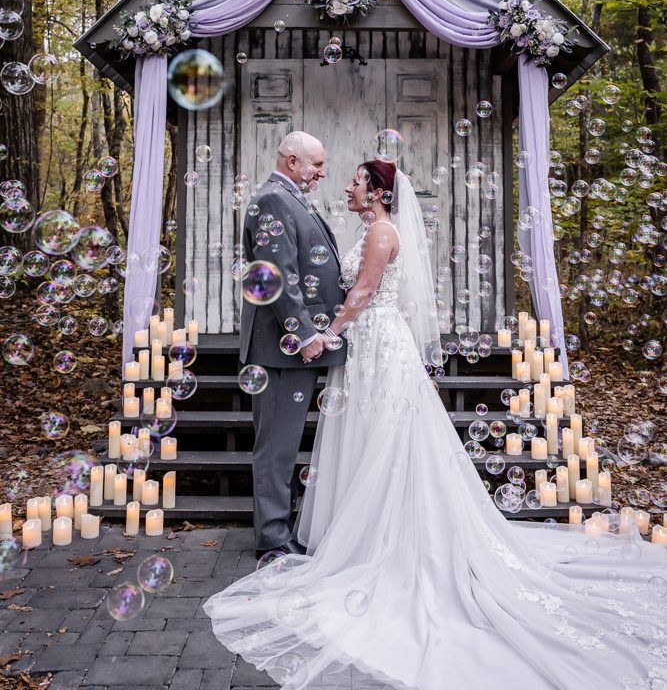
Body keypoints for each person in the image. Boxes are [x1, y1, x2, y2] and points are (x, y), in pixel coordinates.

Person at [205, 160, 667, 689]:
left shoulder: (381, 233)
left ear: (379, 194)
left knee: (388, 440)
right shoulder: (368, 229)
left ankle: (385, 538)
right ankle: (359, 529)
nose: (346, 186)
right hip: (365, 348)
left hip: (378, 345)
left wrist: (328, 331)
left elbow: (363, 293)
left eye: (357, 181)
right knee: (367, 439)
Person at [239, 131, 347, 559]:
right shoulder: (273, 200)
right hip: (279, 348)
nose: (322, 172)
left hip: (294, 344)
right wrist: (302, 334)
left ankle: (283, 525)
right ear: (291, 162)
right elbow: (275, 275)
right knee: (276, 447)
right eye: (316, 164)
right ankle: (272, 537)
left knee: (284, 444)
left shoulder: (292, 198)